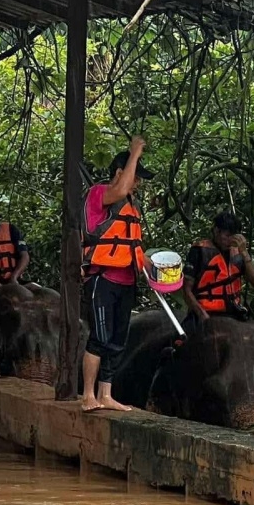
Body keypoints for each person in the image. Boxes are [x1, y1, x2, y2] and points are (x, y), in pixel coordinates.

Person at [80, 136, 154, 413]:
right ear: (121, 173)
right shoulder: (100, 193)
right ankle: (87, 394)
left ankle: (106, 393)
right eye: (135, 176)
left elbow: (133, 247)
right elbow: (121, 189)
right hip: (102, 278)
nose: (137, 183)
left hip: (126, 279)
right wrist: (134, 152)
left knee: (117, 339)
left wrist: (153, 266)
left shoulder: (130, 208)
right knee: (99, 336)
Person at [182, 211, 254, 328]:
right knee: (179, 341)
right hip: (205, 313)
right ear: (216, 231)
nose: (230, 240)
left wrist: (244, 253)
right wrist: (201, 314)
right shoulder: (199, 251)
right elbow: (186, 289)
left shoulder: (239, 253)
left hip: (234, 314)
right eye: (227, 236)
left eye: (233, 236)